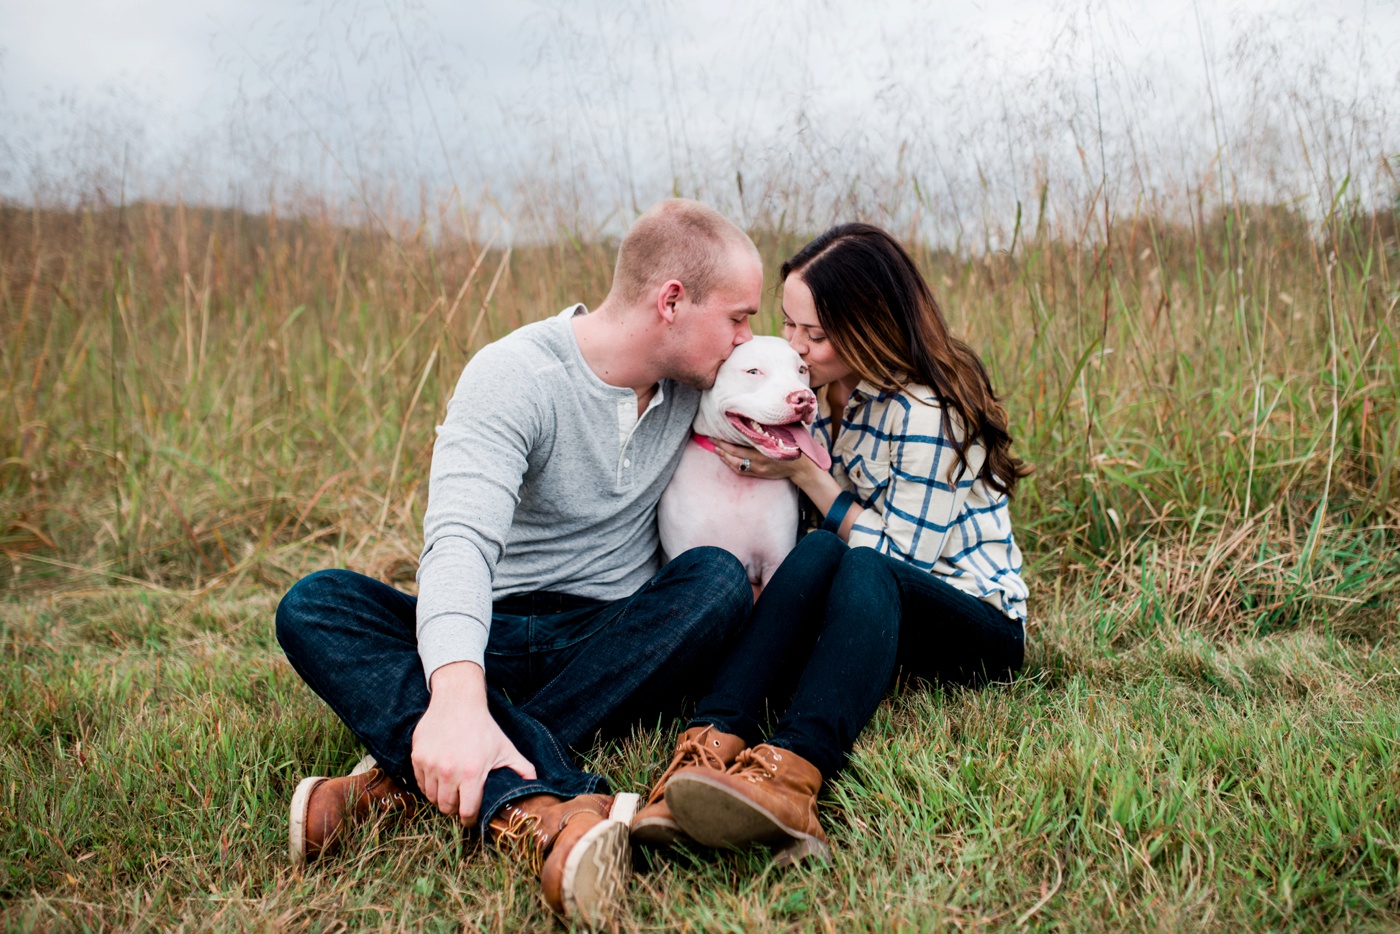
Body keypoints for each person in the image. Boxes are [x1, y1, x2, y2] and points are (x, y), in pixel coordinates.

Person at [275, 199, 762, 925]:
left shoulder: (703, 388)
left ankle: (399, 791)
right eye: (739, 318)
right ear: (671, 301)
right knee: (315, 604)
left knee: (716, 581)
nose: (746, 339)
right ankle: (544, 798)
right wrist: (458, 697)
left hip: (612, 642)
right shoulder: (514, 375)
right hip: (492, 635)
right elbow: (460, 544)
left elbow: (796, 396)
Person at [629, 222, 1030, 864]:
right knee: (817, 553)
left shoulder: (925, 412)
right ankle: (707, 745)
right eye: (790, 325)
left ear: (872, 327)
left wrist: (806, 475)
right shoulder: (821, 394)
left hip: (973, 620)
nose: (798, 348)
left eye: (815, 336)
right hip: (868, 601)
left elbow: (899, 562)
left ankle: (793, 778)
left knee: (859, 562)